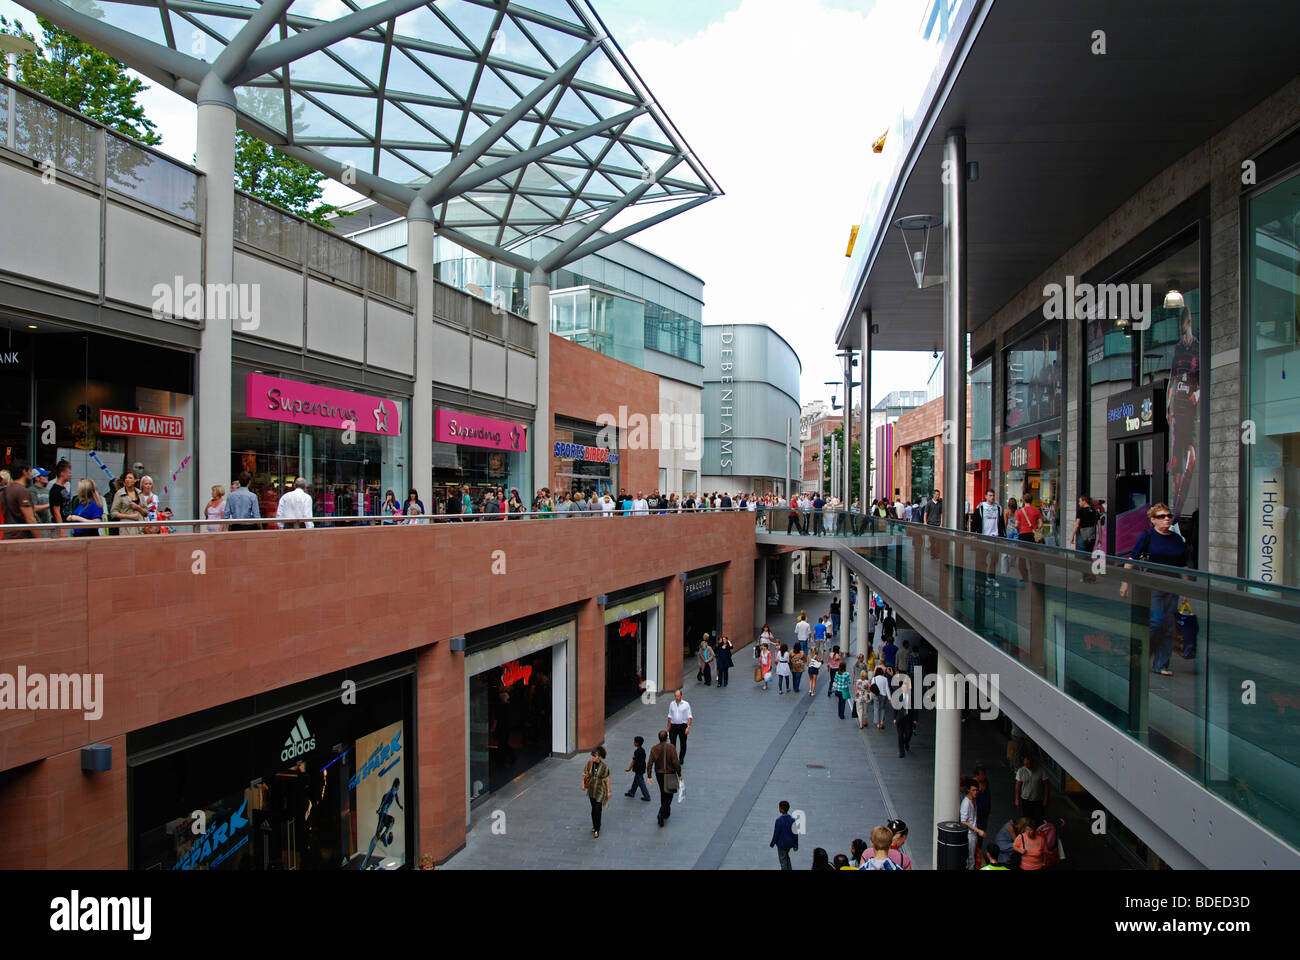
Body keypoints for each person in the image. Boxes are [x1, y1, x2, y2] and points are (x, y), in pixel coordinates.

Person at [1119, 502, 1188, 677]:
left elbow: (1183, 565)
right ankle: (1140, 654)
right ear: (1153, 520)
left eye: (1168, 516)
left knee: (1169, 626)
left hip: (1172, 586)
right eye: (1161, 516)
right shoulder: (1147, 536)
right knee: (1156, 622)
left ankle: (1161, 664)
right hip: (1153, 585)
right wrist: (1125, 583)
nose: (1166, 519)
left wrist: (1188, 590)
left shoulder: (1177, 539)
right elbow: (1133, 559)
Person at [648, 730, 681, 828]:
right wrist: (679, 773)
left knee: (663, 792)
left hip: (659, 774)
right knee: (669, 795)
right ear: (667, 737)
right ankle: (661, 813)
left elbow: (650, 763)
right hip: (669, 773)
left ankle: (665, 812)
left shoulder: (654, 748)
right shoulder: (671, 747)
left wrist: (649, 776)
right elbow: (676, 762)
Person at [1071, 494, 1102, 582]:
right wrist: (1100, 538)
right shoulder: (1095, 511)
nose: (1079, 503)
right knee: (1088, 555)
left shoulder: (1080, 512)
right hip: (1092, 536)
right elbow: (1099, 526)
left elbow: (1077, 525)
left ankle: (1086, 576)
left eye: (1079, 501)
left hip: (1082, 535)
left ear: (1084, 501)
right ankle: (1091, 574)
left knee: (1083, 557)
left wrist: (1073, 536)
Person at [582, 746, 611, 839]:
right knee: (593, 809)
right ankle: (595, 825)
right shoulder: (590, 764)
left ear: (599, 757)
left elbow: (607, 779)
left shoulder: (605, 767)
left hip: (600, 790)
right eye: (593, 756)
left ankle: (597, 829)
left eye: (594, 756)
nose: (593, 758)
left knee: (598, 809)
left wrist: (609, 791)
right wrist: (583, 784)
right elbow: (585, 774)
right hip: (591, 789)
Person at [110, 470, 149, 535]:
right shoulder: (119, 494)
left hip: (140, 528)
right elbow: (113, 513)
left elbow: (146, 513)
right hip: (126, 528)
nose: (127, 480)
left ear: (135, 480)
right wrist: (130, 516)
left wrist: (138, 508)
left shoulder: (140, 493)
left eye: (130, 478)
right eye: (126, 478)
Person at [1014, 752, 1050, 823]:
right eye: (1025, 763)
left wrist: (1046, 799)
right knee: (1026, 819)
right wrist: (1017, 799)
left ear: (1033, 762)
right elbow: (1018, 786)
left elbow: (1047, 786)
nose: (1026, 765)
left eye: (1028, 763)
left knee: (1038, 819)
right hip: (1025, 799)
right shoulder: (1021, 771)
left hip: (1038, 799)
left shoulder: (1041, 770)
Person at [960, 778, 985, 869]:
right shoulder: (966, 803)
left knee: (973, 857)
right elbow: (963, 821)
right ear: (969, 790)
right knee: (970, 859)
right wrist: (978, 830)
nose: (975, 792)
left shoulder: (973, 801)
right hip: (969, 834)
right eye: (973, 790)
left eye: (976, 790)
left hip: (973, 834)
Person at [770, 800, 799, 870]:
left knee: (783, 861)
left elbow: (776, 834)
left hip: (781, 845)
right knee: (786, 857)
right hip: (789, 844)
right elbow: (795, 833)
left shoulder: (778, 820)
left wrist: (772, 843)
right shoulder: (792, 820)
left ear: (781, 809)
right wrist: (795, 845)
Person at [973, 763, 993, 865]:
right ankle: (976, 852)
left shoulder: (986, 783)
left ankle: (979, 849)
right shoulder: (974, 785)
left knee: (981, 833)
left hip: (984, 813)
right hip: (978, 814)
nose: (983, 776)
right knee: (977, 833)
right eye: (982, 774)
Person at [667, 689, 692, 764]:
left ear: (681, 696)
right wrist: (668, 727)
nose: (677, 698)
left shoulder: (686, 704)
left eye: (678, 696)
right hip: (673, 726)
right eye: (675, 696)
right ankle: (673, 758)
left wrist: (688, 727)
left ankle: (681, 758)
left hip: (682, 725)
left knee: (683, 743)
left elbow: (689, 716)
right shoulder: (672, 704)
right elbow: (669, 716)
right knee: (672, 743)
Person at [623, 735, 651, 801]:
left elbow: (634, 761)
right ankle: (632, 792)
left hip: (638, 769)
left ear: (637, 743)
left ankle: (647, 796)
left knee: (641, 783)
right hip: (642, 768)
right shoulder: (643, 750)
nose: (633, 743)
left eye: (634, 742)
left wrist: (629, 768)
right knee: (636, 780)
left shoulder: (637, 752)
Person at [47, 460, 73, 528]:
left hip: (67, 523)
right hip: (60, 525)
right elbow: (56, 511)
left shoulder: (63, 488)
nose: (70, 475)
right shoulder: (55, 490)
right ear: (62, 473)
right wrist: (61, 529)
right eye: (69, 473)